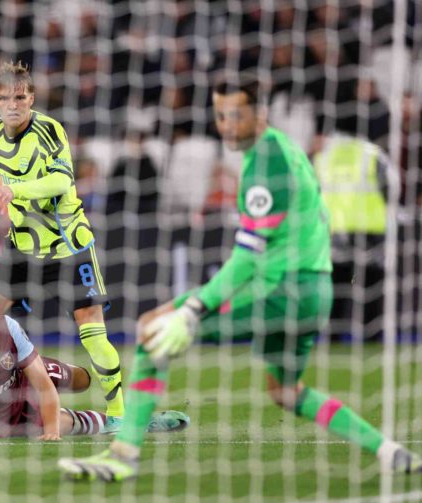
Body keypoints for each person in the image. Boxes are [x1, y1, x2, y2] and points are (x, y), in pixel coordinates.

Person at [58, 75, 422, 481]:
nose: (228, 125)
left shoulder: (265, 163)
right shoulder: (283, 150)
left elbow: (248, 258)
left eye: (237, 115)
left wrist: (193, 309)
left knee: (151, 329)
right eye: (220, 116)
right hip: (314, 291)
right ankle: (390, 451)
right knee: (286, 391)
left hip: (282, 290)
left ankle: (121, 458)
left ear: (260, 113)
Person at [0, 61, 129, 433]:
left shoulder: (49, 129)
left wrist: (16, 191)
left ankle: (119, 415)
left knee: (92, 330)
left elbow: (62, 180)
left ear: (31, 97)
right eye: (5, 98)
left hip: (67, 245)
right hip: (22, 247)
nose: (13, 104)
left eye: (20, 97)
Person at [0, 289, 188, 443]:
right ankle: (128, 423)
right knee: (67, 424)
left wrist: (50, 430)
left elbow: (44, 387)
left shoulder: (8, 329)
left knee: (78, 379)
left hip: (18, 382)